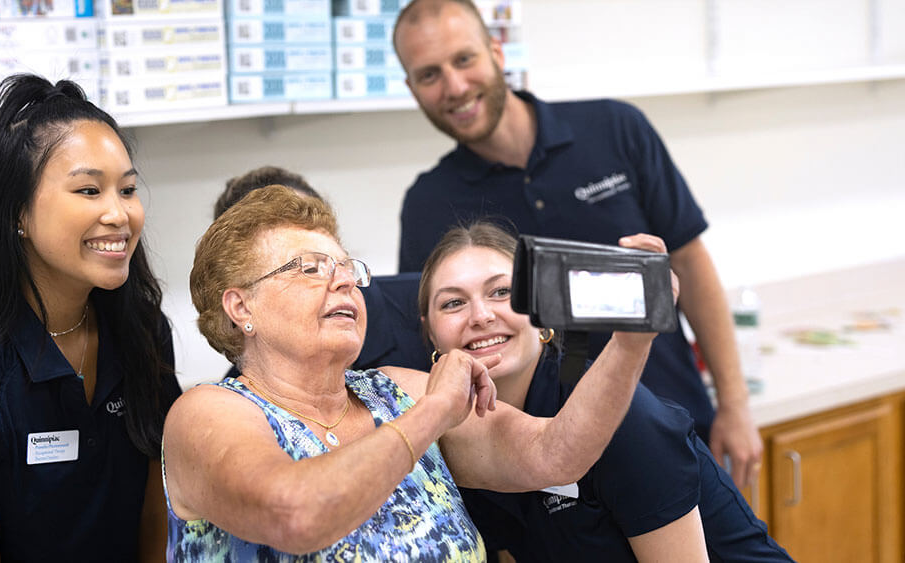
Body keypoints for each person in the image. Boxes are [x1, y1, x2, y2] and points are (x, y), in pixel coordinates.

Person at [163, 184, 660, 560]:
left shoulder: (397, 390)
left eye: (347, 269)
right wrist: (435, 414)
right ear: (240, 307)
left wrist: (632, 339)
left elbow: (555, 456)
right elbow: (296, 515)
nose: (343, 282)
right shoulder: (208, 414)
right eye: (311, 268)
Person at [392, 0, 764, 488]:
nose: (455, 87)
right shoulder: (429, 203)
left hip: (679, 431)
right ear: (411, 89)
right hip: (547, 480)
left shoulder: (615, 130)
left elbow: (690, 267)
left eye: (464, 60)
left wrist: (734, 405)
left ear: (497, 52)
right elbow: (438, 347)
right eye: (429, 75)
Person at [0, 74, 181, 562]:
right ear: (18, 213)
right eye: (90, 191)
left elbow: (155, 515)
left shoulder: (142, 331)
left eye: (128, 189)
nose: (120, 214)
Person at [421, 222, 793, 562]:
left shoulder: (619, 419)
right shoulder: (458, 434)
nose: (481, 316)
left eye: (502, 292)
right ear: (430, 332)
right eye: (453, 302)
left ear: (543, 311)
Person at [216, 165, 431, 373]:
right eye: (307, 265)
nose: (307, 231)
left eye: (311, 217)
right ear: (241, 304)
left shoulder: (426, 302)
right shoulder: (241, 388)